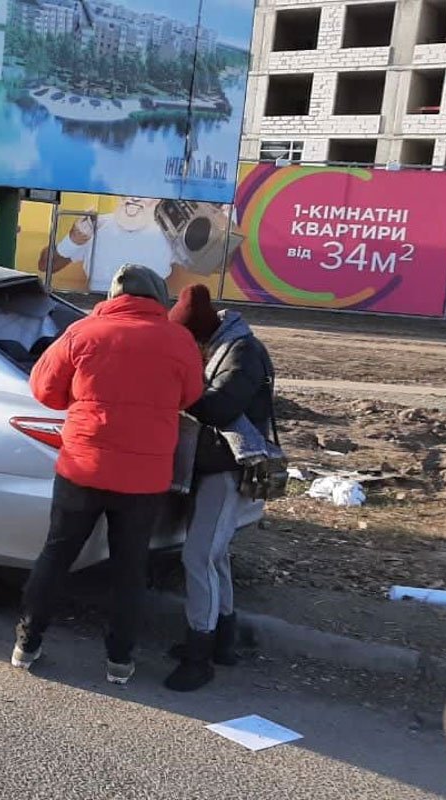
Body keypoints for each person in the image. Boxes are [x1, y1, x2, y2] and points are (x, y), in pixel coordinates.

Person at [12, 264, 203, 686]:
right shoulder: (178, 339)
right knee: (130, 568)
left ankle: (27, 644)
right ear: (157, 298)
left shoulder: (83, 333)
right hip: (144, 478)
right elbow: (191, 393)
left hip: (82, 466)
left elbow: (44, 390)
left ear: (114, 294)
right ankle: (119, 661)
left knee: (56, 555)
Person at [164, 285, 275, 692]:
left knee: (198, 558)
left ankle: (199, 656)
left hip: (227, 468)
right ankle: (223, 641)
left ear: (202, 333)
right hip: (209, 464)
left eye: (190, 338)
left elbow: (218, 407)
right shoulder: (223, 347)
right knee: (216, 556)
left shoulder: (243, 352)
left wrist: (174, 385)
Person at [53, 197, 176, 294]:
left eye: (144, 193)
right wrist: (72, 241)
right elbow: (45, 265)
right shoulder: (95, 225)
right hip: (97, 311)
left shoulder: (171, 234)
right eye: (128, 189)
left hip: (147, 317)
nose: (134, 198)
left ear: (158, 200)